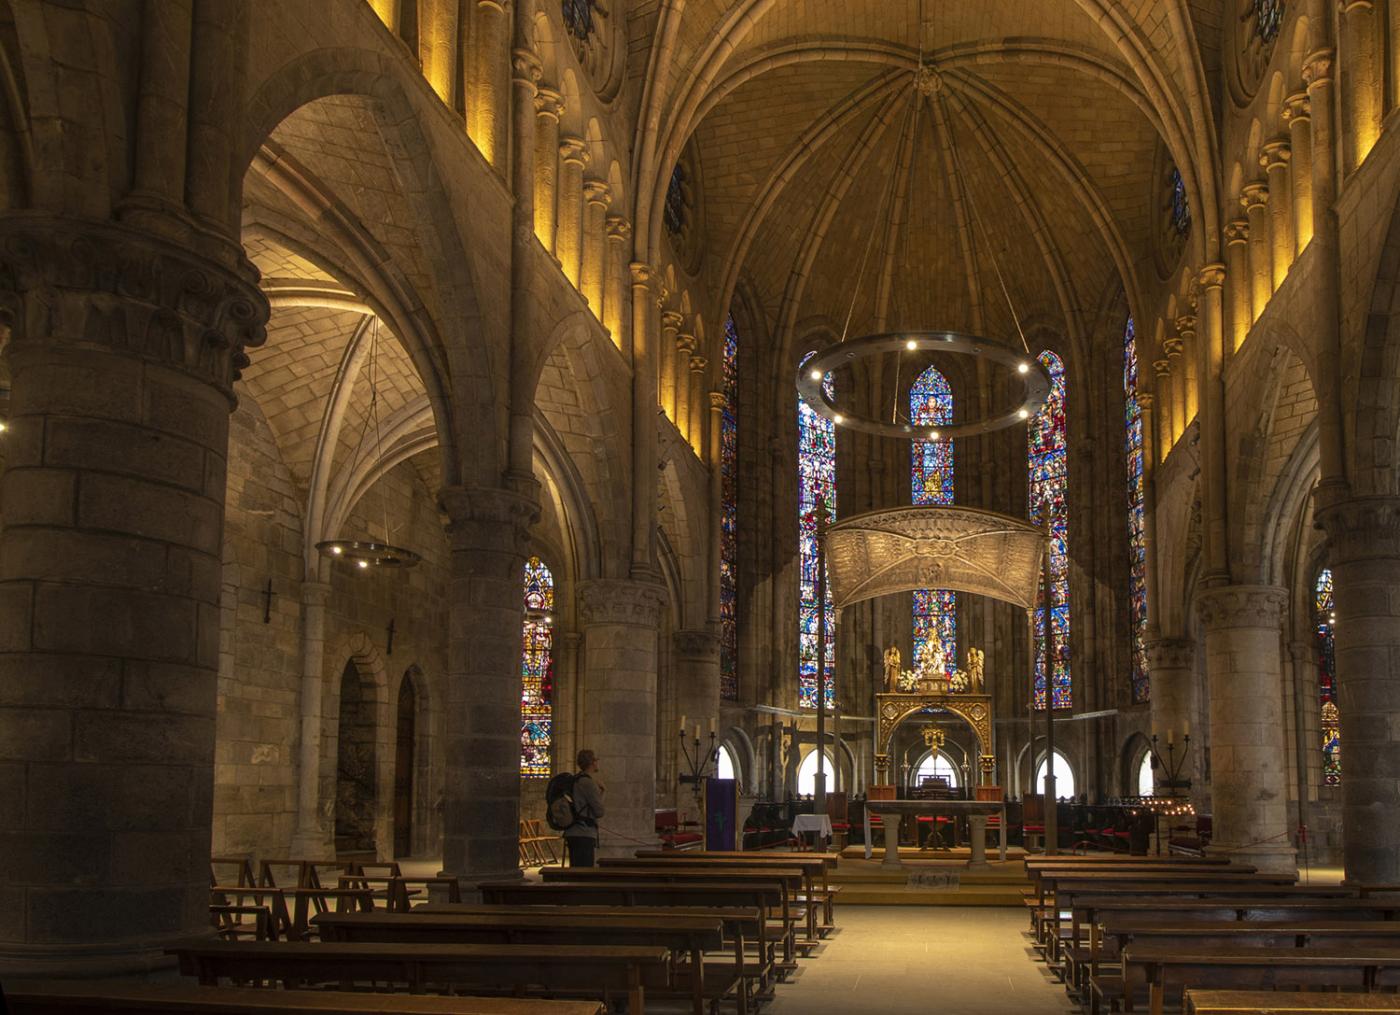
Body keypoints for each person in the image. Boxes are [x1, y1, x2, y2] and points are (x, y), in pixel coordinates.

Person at [564, 748, 605, 867]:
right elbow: (599, 812)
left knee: (576, 871)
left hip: (573, 832)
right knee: (583, 873)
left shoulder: (576, 779)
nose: (597, 763)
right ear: (592, 762)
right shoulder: (588, 783)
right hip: (583, 833)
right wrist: (603, 791)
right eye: (596, 760)